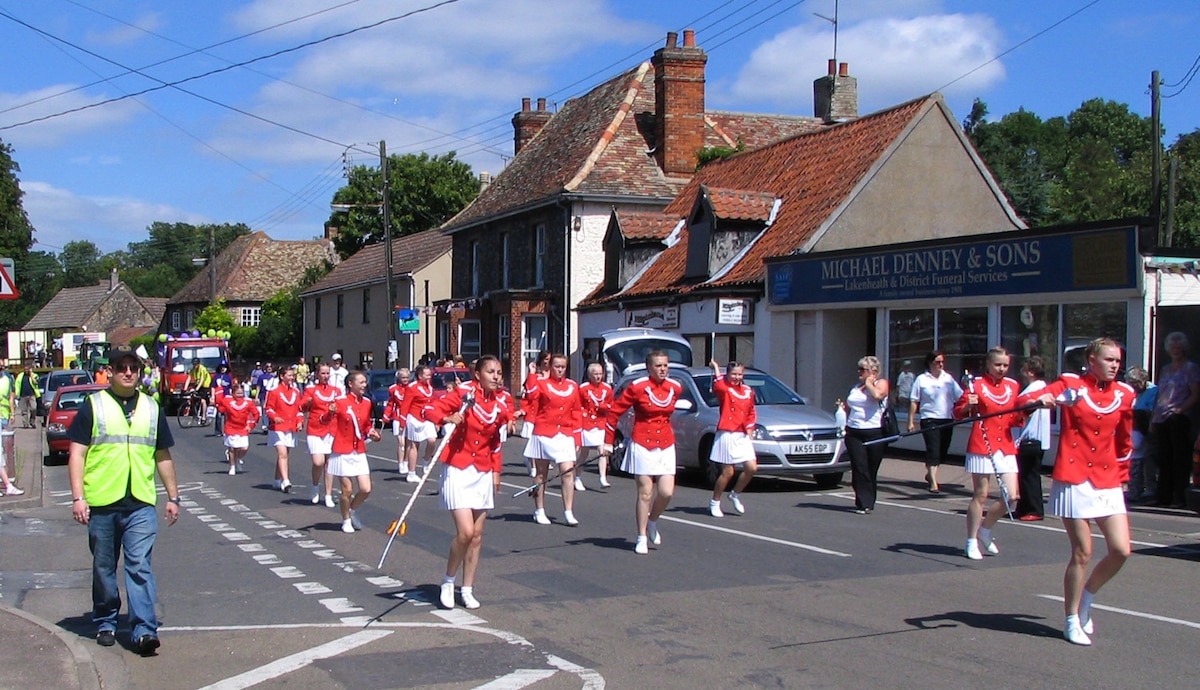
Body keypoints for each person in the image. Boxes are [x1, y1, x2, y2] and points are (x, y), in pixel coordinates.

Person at [1021, 337, 1134, 646]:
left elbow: (1124, 443)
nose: (1115, 365)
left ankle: (1087, 597)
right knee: (1082, 551)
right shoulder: (1070, 384)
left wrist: (1124, 476)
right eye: (1109, 359)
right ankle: (1071, 618)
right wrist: (1041, 402)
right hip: (1073, 478)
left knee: (1121, 549)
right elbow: (1026, 402)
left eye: (1117, 361)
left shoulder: (1124, 394)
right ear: (1092, 359)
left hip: (1107, 478)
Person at [66, 349, 181, 655]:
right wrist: (78, 497)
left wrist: (173, 496)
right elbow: (77, 453)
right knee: (104, 567)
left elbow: (162, 455)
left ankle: (144, 630)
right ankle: (106, 619)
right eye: (121, 368)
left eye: (133, 368)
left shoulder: (152, 408)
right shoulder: (94, 406)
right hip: (103, 501)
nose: (128, 373)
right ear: (111, 372)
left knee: (139, 565)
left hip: (140, 501)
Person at [429, 355, 519, 610]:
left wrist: (496, 471)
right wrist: (447, 418)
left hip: (482, 470)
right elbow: (431, 409)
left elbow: (496, 442)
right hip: (458, 467)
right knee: (465, 532)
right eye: (490, 372)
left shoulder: (502, 401)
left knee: (477, 536)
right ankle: (448, 580)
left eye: (499, 372)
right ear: (477, 374)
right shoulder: (464, 393)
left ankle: (467, 588)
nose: (496, 376)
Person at [603, 351, 683, 555]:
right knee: (645, 492)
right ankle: (641, 536)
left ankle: (653, 521)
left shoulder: (675, 388)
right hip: (642, 442)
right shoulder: (637, 388)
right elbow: (614, 413)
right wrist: (607, 443)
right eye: (658, 366)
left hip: (665, 443)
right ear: (649, 368)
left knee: (666, 492)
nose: (663, 369)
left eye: (665, 365)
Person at [954, 346, 1024, 560]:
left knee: (1012, 495)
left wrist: (1024, 412)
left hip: (1005, 445)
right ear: (988, 364)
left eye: (1005, 365)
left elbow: (1015, 416)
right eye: (997, 365)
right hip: (982, 444)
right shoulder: (976, 385)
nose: (1002, 369)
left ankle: (986, 529)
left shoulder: (1013, 386)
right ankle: (971, 540)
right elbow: (957, 413)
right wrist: (968, 406)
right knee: (981, 494)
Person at [523, 354, 583, 526]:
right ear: (550, 367)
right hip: (543, 433)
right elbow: (531, 396)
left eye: (563, 367)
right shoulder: (541, 383)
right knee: (541, 473)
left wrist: (577, 437)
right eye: (557, 366)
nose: (560, 369)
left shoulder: (572, 386)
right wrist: (532, 374)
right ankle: (539, 509)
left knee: (567, 471)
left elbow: (577, 411)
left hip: (564, 433)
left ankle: (568, 511)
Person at [323, 370, 381, 533]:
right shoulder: (340, 401)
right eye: (361, 382)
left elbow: (366, 425)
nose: (364, 385)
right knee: (347, 489)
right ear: (350, 384)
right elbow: (325, 420)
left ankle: (352, 509)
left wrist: (372, 433)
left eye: (365, 382)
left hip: (358, 449)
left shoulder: (367, 402)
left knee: (365, 488)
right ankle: (346, 519)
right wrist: (330, 412)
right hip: (342, 450)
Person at [1150, 332, 1200, 509]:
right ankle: (1163, 496)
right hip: (1162, 417)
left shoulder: (1190, 368)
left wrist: (1180, 410)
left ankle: (1179, 498)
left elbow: (1195, 394)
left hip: (1179, 418)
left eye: (1179, 348)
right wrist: (1154, 418)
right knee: (1163, 459)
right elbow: (1161, 394)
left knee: (1179, 459)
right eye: (1173, 347)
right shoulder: (1165, 369)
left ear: (1184, 349)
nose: (1176, 350)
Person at [708, 358, 759, 517]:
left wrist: (750, 428)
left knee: (752, 468)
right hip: (727, 433)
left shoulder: (748, 391)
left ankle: (735, 494)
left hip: (742, 433)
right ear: (728, 374)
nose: (737, 377)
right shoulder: (725, 389)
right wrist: (716, 368)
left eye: (740, 374)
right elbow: (718, 385)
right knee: (728, 472)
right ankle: (715, 501)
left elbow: (751, 412)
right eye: (734, 374)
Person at [909, 350, 963, 494]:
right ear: (930, 363)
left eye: (942, 362)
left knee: (942, 451)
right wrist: (911, 421)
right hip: (929, 419)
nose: (940, 364)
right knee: (933, 448)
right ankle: (933, 482)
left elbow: (960, 397)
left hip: (946, 418)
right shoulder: (921, 379)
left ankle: (930, 472)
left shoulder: (948, 379)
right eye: (937, 362)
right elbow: (914, 401)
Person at [842, 356, 889, 515]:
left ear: (873, 372)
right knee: (859, 466)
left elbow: (877, 396)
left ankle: (869, 499)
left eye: (863, 369)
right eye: (859, 369)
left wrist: (869, 383)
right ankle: (863, 502)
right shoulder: (856, 387)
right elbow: (849, 406)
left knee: (871, 468)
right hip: (854, 432)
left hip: (874, 432)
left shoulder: (881, 383)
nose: (859, 372)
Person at [1013, 356, 1050, 521]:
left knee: (1030, 475)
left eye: (1024, 370)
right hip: (1035, 437)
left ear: (1031, 372)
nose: (1022, 374)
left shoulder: (1034, 390)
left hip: (1031, 437)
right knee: (1024, 474)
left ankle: (1034, 509)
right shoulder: (1041, 388)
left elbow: (1024, 412)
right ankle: (1022, 507)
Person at [302, 363, 340, 507]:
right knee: (318, 462)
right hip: (315, 429)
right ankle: (315, 486)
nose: (326, 376)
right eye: (323, 373)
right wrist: (308, 403)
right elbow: (302, 406)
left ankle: (328, 494)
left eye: (327, 373)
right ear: (317, 374)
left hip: (331, 429)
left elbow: (341, 408)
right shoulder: (311, 390)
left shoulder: (335, 391)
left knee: (329, 463)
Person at [265, 366, 303, 493]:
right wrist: (274, 417)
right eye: (289, 375)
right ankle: (286, 480)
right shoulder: (274, 392)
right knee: (282, 454)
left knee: (285, 455)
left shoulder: (296, 392)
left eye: (293, 375)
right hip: (277, 427)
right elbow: (268, 408)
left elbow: (298, 410)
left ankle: (277, 479)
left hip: (290, 427)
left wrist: (300, 422)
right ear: (282, 377)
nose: (292, 378)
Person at [577, 362, 613, 489]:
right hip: (587, 423)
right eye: (595, 374)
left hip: (601, 422)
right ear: (590, 375)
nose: (598, 376)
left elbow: (610, 404)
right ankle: (577, 477)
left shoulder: (607, 388)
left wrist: (603, 407)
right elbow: (578, 406)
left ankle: (603, 477)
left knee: (602, 450)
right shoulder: (583, 388)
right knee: (584, 453)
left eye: (600, 374)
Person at [1125, 366, 1157, 503]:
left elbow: (1151, 411)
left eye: (1135, 384)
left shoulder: (1153, 391)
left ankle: (1149, 489)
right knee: (1136, 461)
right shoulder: (1135, 393)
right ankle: (1135, 490)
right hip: (1135, 429)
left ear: (1143, 381)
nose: (1133, 387)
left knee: (1147, 461)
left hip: (1148, 429)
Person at [401, 365, 436, 484]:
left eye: (429, 374)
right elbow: (405, 405)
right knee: (414, 445)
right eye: (427, 374)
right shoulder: (412, 387)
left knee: (432, 440)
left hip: (427, 417)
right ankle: (411, 473)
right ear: (420, 376)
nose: (429, 376)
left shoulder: (430, 387)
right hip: (414, 417)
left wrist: (437, 418)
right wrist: (402, 421)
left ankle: (426, 460)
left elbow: (433, 403)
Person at [217, 385, 259, 476]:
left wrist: (251, 425)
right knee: (232, 448)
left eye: (241, 393)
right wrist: (215, 399)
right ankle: (232, 466)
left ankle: (238, 458)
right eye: (238, 393)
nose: (240, 395)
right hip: (230, 427)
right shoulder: (227, 400)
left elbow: (256, 414)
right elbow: (220, 407)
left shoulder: (248, 402)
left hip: (243, 428)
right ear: (233, 393)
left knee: (244, 448)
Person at [382, 368, 411, 475]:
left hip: (409, 417)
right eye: (403, 378)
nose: (405, 380)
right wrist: (386, 416)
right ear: (399, 378)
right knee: (401, 442)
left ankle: (406, 462)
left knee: (409, 442)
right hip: (398, 417)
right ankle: (400, 464)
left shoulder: (412, 388)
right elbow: (391, 404)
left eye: (407, 378)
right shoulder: (393, 389)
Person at [15, 362, 41, 428]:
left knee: (33, 408)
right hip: (23, 395)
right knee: (24, 411)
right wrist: (16, 394)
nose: (26, 371)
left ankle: (32, 421)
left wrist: (31, 375)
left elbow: (36, 382)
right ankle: (25, 424)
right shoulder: (20, 376)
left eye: (27, 369)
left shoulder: (34, 375)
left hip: (31, 395)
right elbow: (17, 385)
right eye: (25, 369)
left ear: (30, 369)